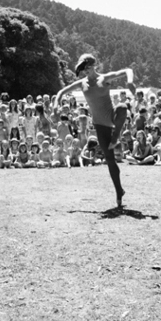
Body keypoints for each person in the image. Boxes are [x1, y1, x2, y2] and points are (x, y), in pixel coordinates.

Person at [52, 54, 136, 207]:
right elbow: (61, 92)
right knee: (110, 160)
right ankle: (119, 191)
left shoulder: (104, 78)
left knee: (123, 107)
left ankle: (116, 136)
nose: (86, 71)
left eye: (88, 68)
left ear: (93, 66)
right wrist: (56, 104)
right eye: (84, 69)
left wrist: (130, 82)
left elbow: (127, 70)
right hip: (100, 125)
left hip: (112, 118)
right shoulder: (82, 83)